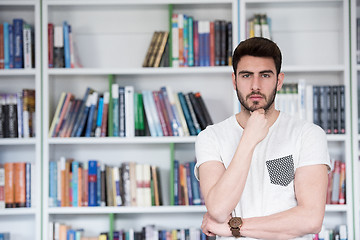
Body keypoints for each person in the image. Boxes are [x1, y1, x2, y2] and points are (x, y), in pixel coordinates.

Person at [195, 37, 331, 240]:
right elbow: (218, 209)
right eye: (246, 75)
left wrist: (235, 227)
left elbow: (311, 219)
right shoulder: (211, 137)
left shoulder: (308, 135)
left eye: (265, 75)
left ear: (279, 80)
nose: (255, 85)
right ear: (234, 81)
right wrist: (248, 139)